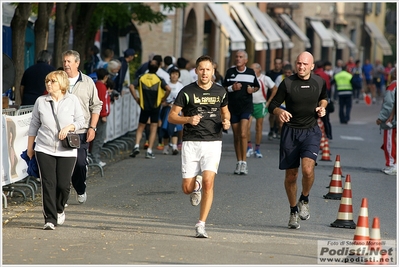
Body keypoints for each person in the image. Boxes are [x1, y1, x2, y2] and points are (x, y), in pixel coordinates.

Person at [168, 55, 231, 238]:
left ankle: (201, 224)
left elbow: (226, 113)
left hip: (213, 142)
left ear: (213, 71)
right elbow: (172, 116)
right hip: (191, 142)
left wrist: (226, 122)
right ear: (196, 71)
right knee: (186, 188)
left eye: (208, 69)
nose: (204, 73)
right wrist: (187, 119)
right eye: (201, 69)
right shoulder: (186, 91)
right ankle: (195, 185)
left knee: (209, 183)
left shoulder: (221, 92)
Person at [268, 51, 328, 230]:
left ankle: (305, 198)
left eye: (304, 64)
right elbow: (272, 105)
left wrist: (322, 107)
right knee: (291, 175)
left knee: (308, 169)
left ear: (312, 66)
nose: (301, 67)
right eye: (298, 63)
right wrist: (280, 112)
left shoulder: (319, 82)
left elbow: (324, 98)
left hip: (310, 131)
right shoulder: (287, 83)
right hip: (290, 132)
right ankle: (293, 210)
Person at [27, 70, 85, 230]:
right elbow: (33, 125)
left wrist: (69, 127)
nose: (49, 84)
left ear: (62, 84)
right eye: (47, 81)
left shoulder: (72, 100)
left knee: (63, 185)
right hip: (44, 148)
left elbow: (81, 121)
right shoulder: (41, 101)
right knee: (48, 183)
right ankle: (50, 219)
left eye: (53, 81)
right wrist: (30, 147)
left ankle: (59, 209)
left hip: (66, 150)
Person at [62, 50, 103, 204]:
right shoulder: (58, 80)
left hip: (80, 130)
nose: (66, 64)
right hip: (62, 130)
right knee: (63, 166)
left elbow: (96, 105)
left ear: (77, 63)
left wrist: (92, 128)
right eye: (64, 61)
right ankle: (62, 196)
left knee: (79, 163)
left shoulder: (87, 82)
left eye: (69, 61)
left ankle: (80, 188)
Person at [223, 50, 260, 175]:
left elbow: (256, 86)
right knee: (236, 136)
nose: (238, 59)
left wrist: (252, 90)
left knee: (244, 133)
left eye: (241, 57)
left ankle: (244, 163)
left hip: (246, 107)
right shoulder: (230, 72)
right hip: (233, 108)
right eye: (237, 57)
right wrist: (231, 88)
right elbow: (223, 89)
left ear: (246, 60)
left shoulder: (250, 72)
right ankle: (238, 162)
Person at [129, 59, 171, 159]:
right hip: (155, 106)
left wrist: (136, 98)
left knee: (140, 127)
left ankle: (136, 145)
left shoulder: (141, 77)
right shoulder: (159, 79)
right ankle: (149, 150)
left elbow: (131, 86)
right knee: (153, 128)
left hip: (144, 105)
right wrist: (163, 99)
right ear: (157, 68)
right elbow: (169, 89)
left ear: (148, 67)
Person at [246, 63, 277, 158]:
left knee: (259, 127)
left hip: (260, 105)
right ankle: (249, 146)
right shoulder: (248, 78)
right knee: (247, 126)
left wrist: (269, 101)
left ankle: (257, 148)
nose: (251, 71)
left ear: (259, 69)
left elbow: (275, 89)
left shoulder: (265, 78)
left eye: (253, 69)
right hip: (249, 104)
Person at [376, 68, 396, 176]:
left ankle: (392, 164)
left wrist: (381, 117)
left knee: (390, 142)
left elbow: (389, 103)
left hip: (392, 121)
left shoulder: (393, 86)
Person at [159, 68, 184, 155]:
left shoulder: (180, 86)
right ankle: (165, 146)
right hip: (167, 109)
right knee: (165, 127)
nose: (174, 76)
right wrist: (164, 103)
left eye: (176, 74)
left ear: (178, 76)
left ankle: (174, 146)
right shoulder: (166, 85)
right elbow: (161, 97)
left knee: (176, 127)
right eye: (172, 74)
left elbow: (183, 98)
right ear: (170, 75)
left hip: (177, 109)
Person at [91, 68, 111, 167]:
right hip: (100, 116)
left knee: (98, 137)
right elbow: (102, 102)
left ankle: (94, 156)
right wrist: (103, 115)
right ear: (105, 76)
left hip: (99, 115)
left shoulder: (98, 85)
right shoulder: (101, 87)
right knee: (99, 137)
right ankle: (95, 158)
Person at [314, 60, 332, 139]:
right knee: (326, 118)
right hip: (326, 96)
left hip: (318, 98)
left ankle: (317, 134)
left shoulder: (316, 75)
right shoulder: (326, 75)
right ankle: (328, 134)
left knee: (315, 117)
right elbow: (329, 87)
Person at [266, 58, 284, 140]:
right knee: (271, 114)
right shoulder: (269, 73)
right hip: (271, 95)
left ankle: (277, 130)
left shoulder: (282, 74)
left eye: (279, 63)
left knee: (278, 115)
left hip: (280, 97)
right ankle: (272, 129)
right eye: (276, 63)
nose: (277, 65)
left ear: (281, 64)